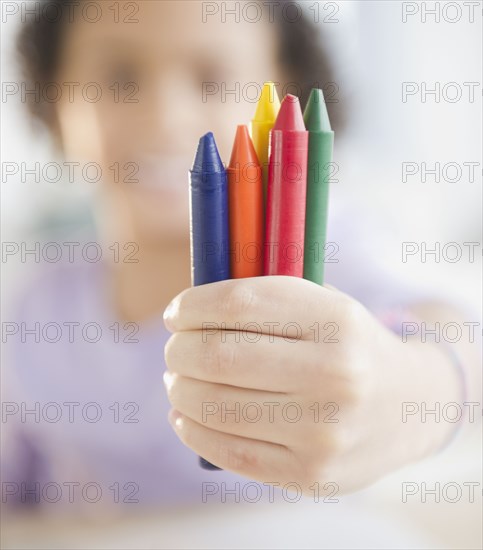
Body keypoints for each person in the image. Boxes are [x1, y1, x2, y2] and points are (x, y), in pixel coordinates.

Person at [2, 0, 479, 509]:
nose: (166, 115)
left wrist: (416, 387)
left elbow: (455, 339)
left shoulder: (315, 257)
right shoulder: (35, 303)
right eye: (119, 77)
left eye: (212, 78)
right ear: (54, 98)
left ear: (282, 100)